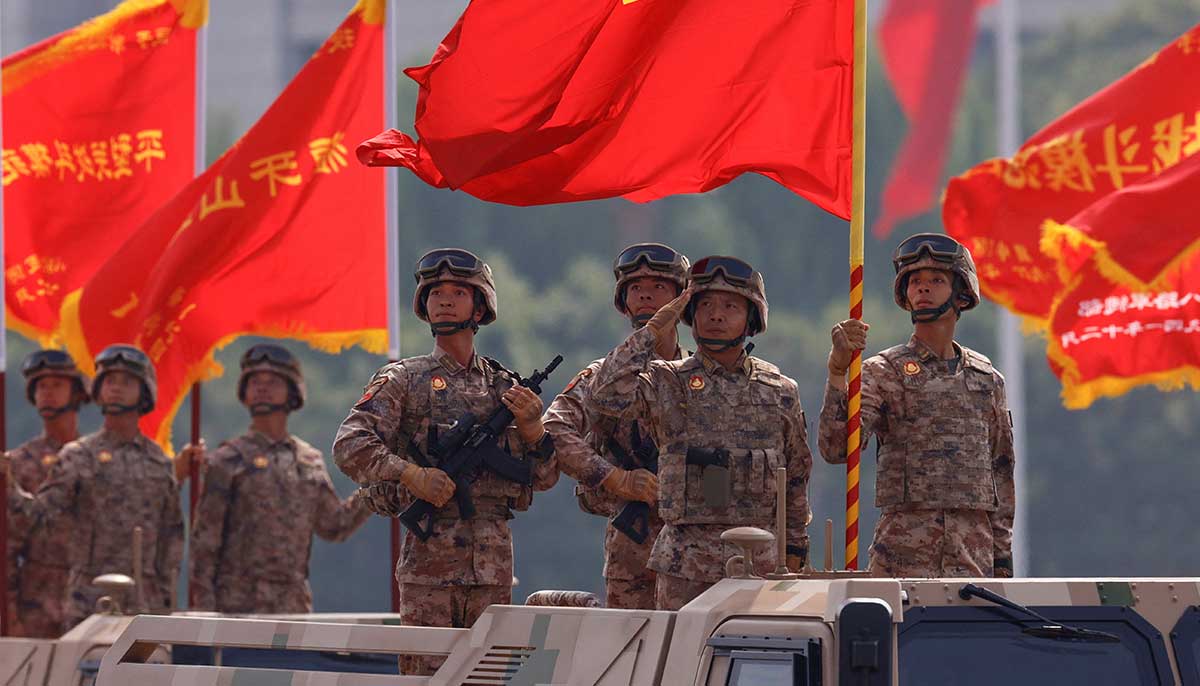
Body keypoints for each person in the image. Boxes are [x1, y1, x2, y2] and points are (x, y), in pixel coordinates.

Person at [332, 248, 557, 675]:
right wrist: (411, 475)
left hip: (493, 569)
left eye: (458, 292)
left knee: (486, 679)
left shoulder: (504, 388)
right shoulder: (404, 379)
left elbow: (544, 477)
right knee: (426, 678)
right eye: (436, 293)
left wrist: (533, 430)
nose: (445, 300)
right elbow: (350, 444)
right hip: (428, 568)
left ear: (480, 306)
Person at [587, 256, 811, 610]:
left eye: (730, 306)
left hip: (761, 565)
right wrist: (651, 332)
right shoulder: (665, 381)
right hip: (686, 567)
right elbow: (601, 399)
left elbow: (796, 477)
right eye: (704, 304)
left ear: (751, 317)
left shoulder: (779, 389)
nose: (716, 315)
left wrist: (795, 549)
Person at [818, 233, 1015, 578]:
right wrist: (837, 372)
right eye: (915, 282)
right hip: (902, 560)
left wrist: (1001, 562)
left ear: (962, 294)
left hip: (973, 563)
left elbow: (1001, 474)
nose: (923, 289)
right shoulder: (884, 371)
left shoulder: (987, 380)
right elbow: (837, 448)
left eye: (936, 281)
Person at [544, 243, 688, 609]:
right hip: (633, 550)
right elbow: (555, 429)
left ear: (680, 298)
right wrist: (615, 479)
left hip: (698, 551)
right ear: (623, 301)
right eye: (635, 287)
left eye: (658, 287)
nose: (645, 294)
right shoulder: (603, 377)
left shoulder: (701, 378)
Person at [188, 344, 371, 613]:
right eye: (254, 382)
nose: (262, 388)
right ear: (244, 393)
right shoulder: (227, 460)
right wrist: (204, 614)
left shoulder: (309, 461)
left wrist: (374, 490)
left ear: (292, 391)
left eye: (272, 382)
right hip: (236, 609)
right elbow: (205, 546)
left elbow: (334, 525)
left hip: (293, 608)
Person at [15, 344, 184, 629]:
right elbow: (39, 516)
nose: (116, 388)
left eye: (126, 382)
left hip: (146, 605)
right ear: (98, 391)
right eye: (109, 381)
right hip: (89, 603)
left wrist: (166, 599)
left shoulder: (159, 462)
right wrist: (9, 486)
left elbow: (172, 538)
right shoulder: (78, 455)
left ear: (144, 392)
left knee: (146, 674)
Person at [6, 350, 89, 637]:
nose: (48, 394)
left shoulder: (93, 460)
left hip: (89, 603)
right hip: (35, 606)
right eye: (41, 386)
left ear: (76, 392)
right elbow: (6, 548)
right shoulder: (17, 463)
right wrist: (9, 614)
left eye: (57, 385)